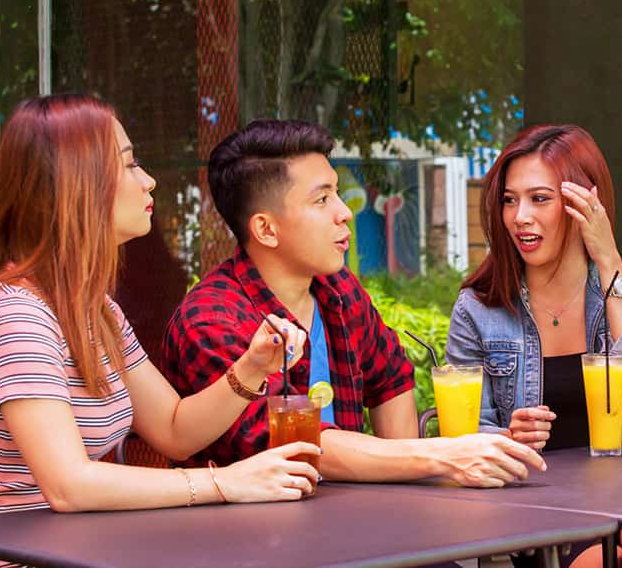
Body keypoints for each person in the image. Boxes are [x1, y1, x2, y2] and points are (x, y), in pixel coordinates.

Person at [161, 119, 545, 488]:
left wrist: (409, 489)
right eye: (322, 199)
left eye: (337, 193)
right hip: (250, 541)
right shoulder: (211, 320)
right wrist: (439, 457)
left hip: (356, 527)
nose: (344, 212)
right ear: (265, 228)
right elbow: (291, 444)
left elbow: (390, 376)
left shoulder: (336, 288)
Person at [0, 95, 320, 518]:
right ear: (79, 184)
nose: (148, 181)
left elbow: (174, 429)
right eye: (128, 165)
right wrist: (226, 482)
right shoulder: (16, 313)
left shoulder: (97, 310)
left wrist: (251, 368)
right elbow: (68, 485)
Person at [446, 124, 622, 568]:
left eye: (539, 199)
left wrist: (609, 260)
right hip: (536, 516)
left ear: (585, 204)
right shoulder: (479, 308)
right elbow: (463, 434)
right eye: (510, 200)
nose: (520, 216)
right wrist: (509, 438)